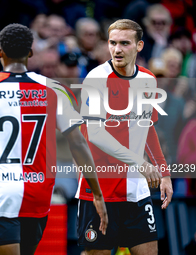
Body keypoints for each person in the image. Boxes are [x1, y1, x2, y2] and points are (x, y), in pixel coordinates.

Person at [0, 23, 108, 255]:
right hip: (39, 193)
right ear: (31, 53)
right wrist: (96, 192)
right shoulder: (54, 88)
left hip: (0, 193)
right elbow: (78, 142)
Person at [77, 19, 173, 255]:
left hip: (136, 189)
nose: (117, 49)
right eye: (112, 43)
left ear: (139, 46)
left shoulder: (148, 80)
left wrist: (164, 173)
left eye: (124, 43)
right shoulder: (96, 78)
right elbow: (96, 134)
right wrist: (140, 162)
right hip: (100, 188)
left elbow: (148, 129)